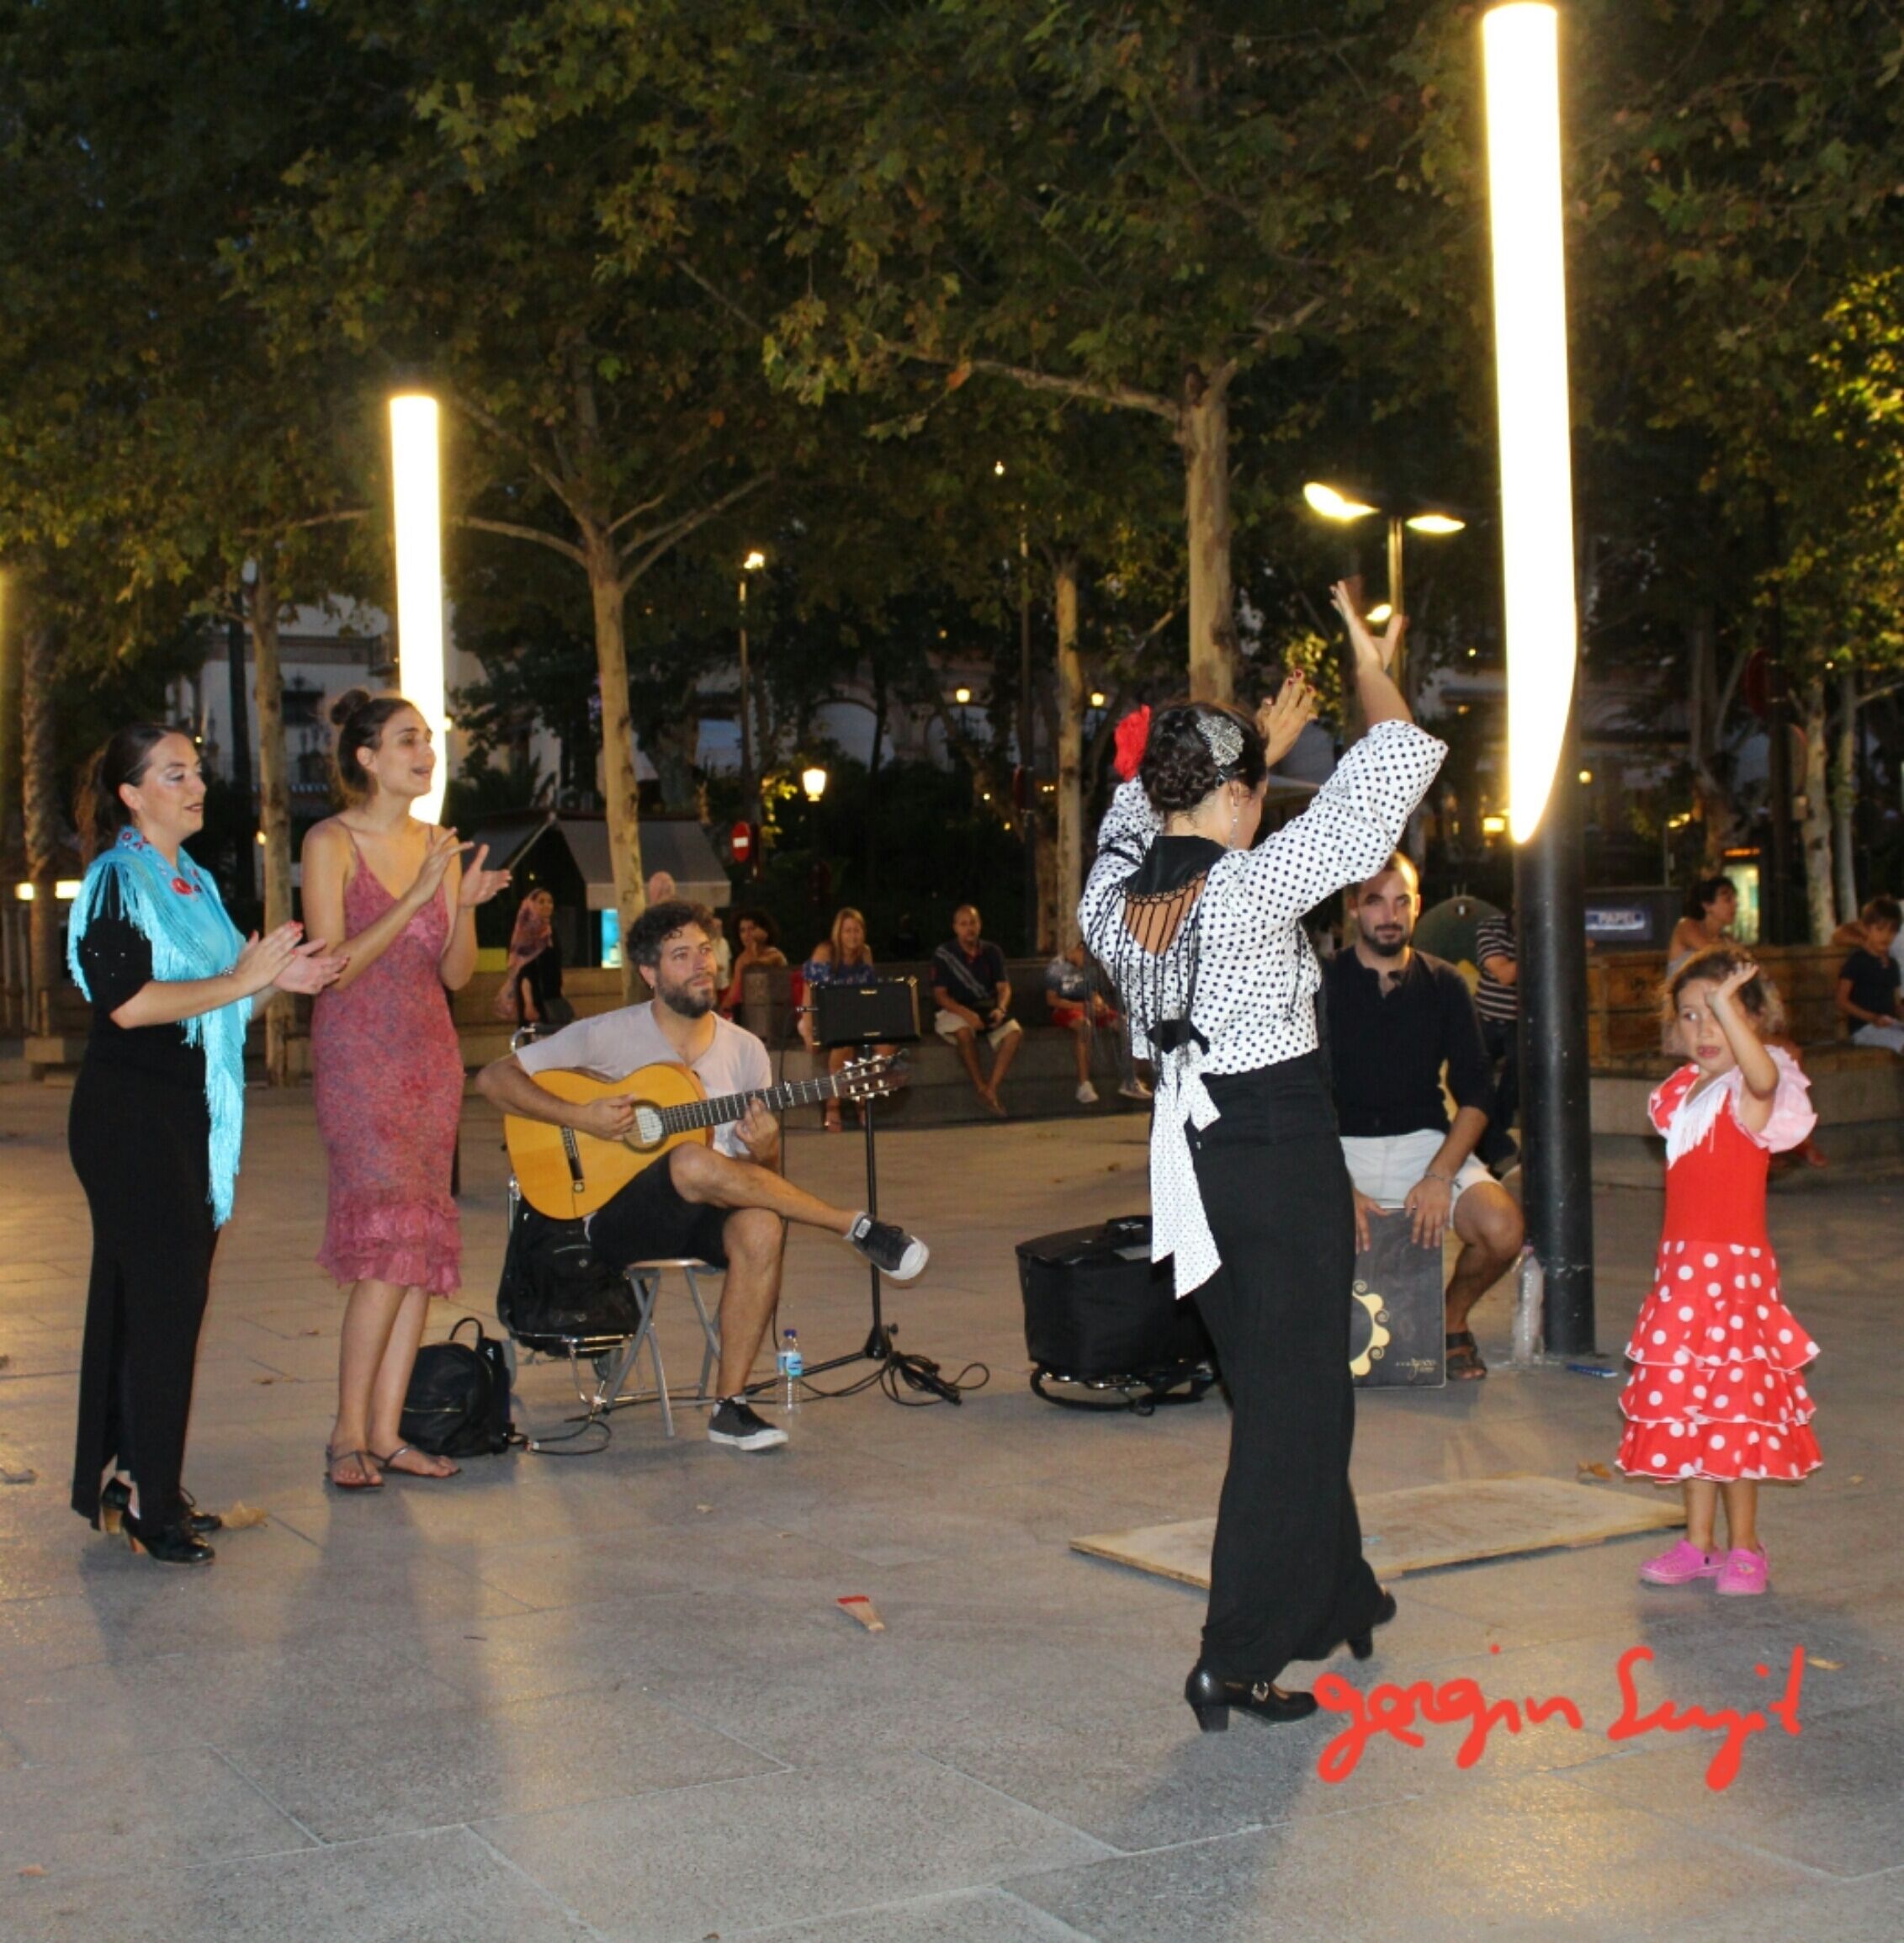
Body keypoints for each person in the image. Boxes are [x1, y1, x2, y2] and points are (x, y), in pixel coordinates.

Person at [1081, 582, 1444, 1732]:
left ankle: (1338, 1591)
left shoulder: (1108, 893)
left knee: (1274, 1385)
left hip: (1192, 1154)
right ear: (1237, 800)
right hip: (1275, 1143)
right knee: (1296, 1411)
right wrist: (1358, 647)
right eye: (1257, 792)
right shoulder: (1246, 888)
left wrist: (1257, 751)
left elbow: (1138, 810)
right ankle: (1230, 1654)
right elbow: (1390, 763)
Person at [475, 901, 931, 1452]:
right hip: (615, 1220)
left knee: (762, 1224)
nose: (702, 965)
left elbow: (763, 1180)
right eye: (680, 954)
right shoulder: (604, 1035)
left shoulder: (746, 1051)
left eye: (705, 951)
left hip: (700, 1214)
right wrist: (582, 1115)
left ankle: (730, 1407)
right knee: (688, 1160)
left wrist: (764, 1150)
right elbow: (495, 1079)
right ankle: (850, 1224)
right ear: (649, 972)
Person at [66, 725, 342, 1563]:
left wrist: (272, 981)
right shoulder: (118, 878)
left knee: (151, 1303)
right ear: (131, 793)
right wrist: (245, 979)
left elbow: (212, 1004)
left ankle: (127, 1478)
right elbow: (126, 1002)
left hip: (189, 1117)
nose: (195, 786)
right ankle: (154, 1505)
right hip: (131, 1117)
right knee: (164, 1310)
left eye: (197, 771)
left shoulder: (195, 882)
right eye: (174, 773)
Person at [303, 691, 512, 1491]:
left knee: (417, 1249)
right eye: (406, 741)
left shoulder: (440, 845)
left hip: (429, 1058)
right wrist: (421, 896)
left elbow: (456, 973)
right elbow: (334, 965)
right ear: (365, 757)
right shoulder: (331, 841)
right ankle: (344, 1431)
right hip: (359, 1058)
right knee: (385, 1245)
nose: (426, 753)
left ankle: (388, 1432)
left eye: (428, 740)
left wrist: (457, 902)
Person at [1618, 948, 1820, 1595]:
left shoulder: (1754, 1089)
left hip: (1734, 1283)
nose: (1704, 1031)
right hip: (1680, 1280)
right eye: (1690, 1016)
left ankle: (1745, 1546)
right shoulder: (1680, 1092)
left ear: (1751, 1020)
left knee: (1735, 1411)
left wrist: (1733, 1011)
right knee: (1687, 1411)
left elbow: (1759, 1076)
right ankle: (1697, 1542)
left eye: (1721, 1016)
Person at [1325, 857, 1526, 1382]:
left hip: (1425, 1145)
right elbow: (1305, 1097)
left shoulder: (1443, 983)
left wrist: (1440, 1175)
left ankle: (1450, 1323)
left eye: (1401, 901)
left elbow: (1477, 1094)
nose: (1389, 915)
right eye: (1375, 900)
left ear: (1417, 905)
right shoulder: (1321, 985)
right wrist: (1336, 1186)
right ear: (1354, 908)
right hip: (1340, 1147)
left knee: (1503, 1228)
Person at [800, 907, 892, 1131]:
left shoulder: (865, 954)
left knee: (887, 1048)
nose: (853, 936)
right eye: (847, 930)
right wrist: (808, 1028)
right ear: (838, 933)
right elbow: (810, 992)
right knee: (846, 1045)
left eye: (857, 930)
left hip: (857, 1015)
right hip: (824, 1015)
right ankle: (837, 1105)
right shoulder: (825, 953)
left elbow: (870, 993)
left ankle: (862, 1096)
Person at [931, 904, 1021, 1115]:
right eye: (964, 924)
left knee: (1014, 1033)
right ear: (955, 928)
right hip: (955, 1009)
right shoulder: (944, 955)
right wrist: (967, 1015)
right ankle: (980, 1085)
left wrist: (1000, 1008)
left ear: (979, 925)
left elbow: (1004, 987)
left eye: (972, 923)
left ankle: (991, 1088)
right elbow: (940, 995)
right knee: (964, 1032)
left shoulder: (992, 952)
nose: (969, 928)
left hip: (985, 1007)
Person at [1472, 905, 1519, 1176]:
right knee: (1474, 1083)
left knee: (1512, 1091)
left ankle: (1491, 1147)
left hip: (1520, 1023)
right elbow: (1504, 974)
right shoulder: (1490, 928)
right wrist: (1541, 943)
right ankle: (1496, 1148)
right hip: (1488, 1019)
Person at [1044, 940, 1118, 1105]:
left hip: (1087, 1007)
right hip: (1066, 1008)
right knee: (1085, 1026)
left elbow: (1093, 993)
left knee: (1125, 1023)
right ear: (1080, 949)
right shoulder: (1057, 967)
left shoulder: (1090, 968)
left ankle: (1130, 1079)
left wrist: (1099, 1005)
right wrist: (1081, 1006)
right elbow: (1052, 1000)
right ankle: (1084, 1085)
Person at [1836, 895, 1904, 1052]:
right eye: (1880, 930)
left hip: (1889, 1025)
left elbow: (1896, 1004)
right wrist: (1872, 1018)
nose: (1886, 936)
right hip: (1865, 1028)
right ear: (1867, 929)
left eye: (1892, 932)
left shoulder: (1892, 965)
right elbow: (1841, 1000)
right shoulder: (1858, 961)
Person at [494, 888, 568, 1030]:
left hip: (552, 998)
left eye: (550, 901)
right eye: (541, 902)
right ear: (531, 905)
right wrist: (529, 1004)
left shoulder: (549, 932)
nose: (547, 905)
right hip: (535, 1001)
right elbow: (524, 973)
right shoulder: (527, 934)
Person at [719, 907, 787, 1018]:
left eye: (752, 929)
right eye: (742, 930)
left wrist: (755, 944)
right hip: (746, 1014)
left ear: (764, 930)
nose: (747, 934)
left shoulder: (775, 955)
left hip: (772, 1015)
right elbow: (733, 994)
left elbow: (754, 967)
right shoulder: (741, 959)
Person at [1668, 875, 1737, 971]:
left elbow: (1748, 964)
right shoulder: (1686, 926)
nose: (1735, 904)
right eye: (1728, 900)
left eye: (1735, 899)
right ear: (1707, 905)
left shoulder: (1728, 940)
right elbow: (1712, 954)